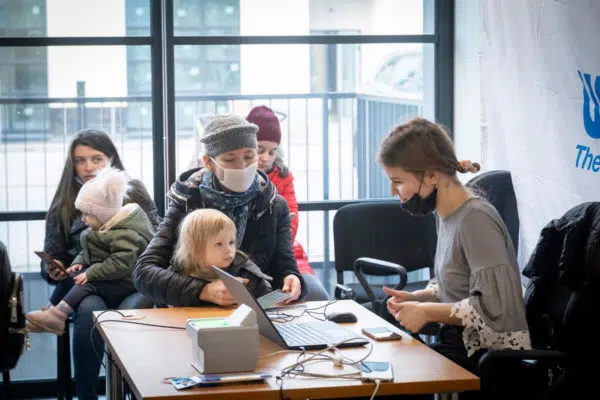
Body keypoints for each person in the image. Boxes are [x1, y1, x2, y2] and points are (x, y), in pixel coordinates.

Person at [378, 118, 531, 376]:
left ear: (431, 175)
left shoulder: (475, 219)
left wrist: (426, 312)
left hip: (488, 364)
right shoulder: (446, 214)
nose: (393, 190)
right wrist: (419, 298)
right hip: (461, 348)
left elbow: (495, 309)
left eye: (398, 181)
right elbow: (459, 285)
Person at [133, 114, 305, 307]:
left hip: (249, 312)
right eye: (229, 160)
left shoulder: (273, 205)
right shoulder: (187, 202)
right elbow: (144, 271)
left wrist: (292, 279)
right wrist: (203, 290)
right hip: (192, 311)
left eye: (249, 157)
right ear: (208, 162)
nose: (241, 167)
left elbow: (283, 265)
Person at [40, 128, 158, 400]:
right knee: (89, 313)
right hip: (87, 285)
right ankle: (87, 395)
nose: (88, 167)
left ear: (111, 159)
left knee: (131, 312)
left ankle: (135, 391)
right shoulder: (66, 203)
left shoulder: (133, 190)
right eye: (80, 160)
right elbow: (53, 253)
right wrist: (55, 268)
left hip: (132, 279)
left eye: (96, 158)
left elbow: (158, 236)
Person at [27, 167, 155, 334]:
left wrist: (90, 273)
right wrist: (79, 263)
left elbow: (120, 263)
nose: (83, 219)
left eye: (87, 214)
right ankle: (51, 311)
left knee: (86, 283)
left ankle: (57, 316)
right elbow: (90, 250)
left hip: (128, 280)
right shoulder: (104, 227)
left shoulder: (125, 234)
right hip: (114, 276)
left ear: (102, 214)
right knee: (70, 277)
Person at [246, 105, 330, 301]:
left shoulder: (283, 177)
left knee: (316, 295)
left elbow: (291, 225)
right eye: (260, 150)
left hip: (286, 254)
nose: (266, 158)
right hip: (249, 260)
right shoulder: (238, 179)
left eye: (272, 152)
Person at [169, 208, 273, 303]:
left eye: (231, 242)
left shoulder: (247, 273)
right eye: (219, 244)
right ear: (194, 248)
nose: (229, 249)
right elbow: (163, 307)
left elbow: (266, 304)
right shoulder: (177, 274)